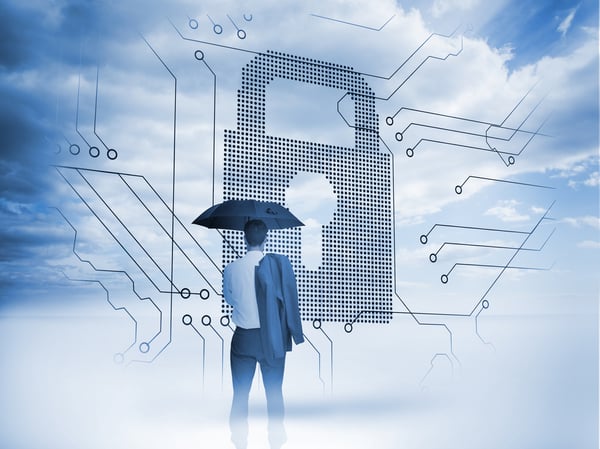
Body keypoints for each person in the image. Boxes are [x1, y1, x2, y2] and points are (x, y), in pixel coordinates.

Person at [223, 219, 304, 449]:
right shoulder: (277, 266)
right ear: (266, 239)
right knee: (274, 392)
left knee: (240, 394)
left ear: (244, 238)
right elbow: (287, 301)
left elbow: (229, 300)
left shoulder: (231, 268)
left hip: (243, 339)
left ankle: (239, 442)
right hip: (272, 338)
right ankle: (276, 442)